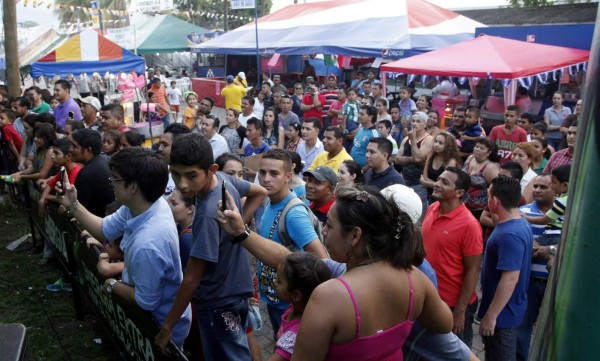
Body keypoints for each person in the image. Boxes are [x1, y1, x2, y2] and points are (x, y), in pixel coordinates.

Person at [289, 185, 454, 360]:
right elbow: (444, 324)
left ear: (355, 235)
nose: (323, 231)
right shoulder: (415, 278)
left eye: (329, 225)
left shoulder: (329, 297)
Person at [56, 147, 193, 348]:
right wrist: (73, 204)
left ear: (133, 187)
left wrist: (112, 285)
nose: (110, 183)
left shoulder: (148, 243)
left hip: (159, 329)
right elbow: (104, 229)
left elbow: (146, 301)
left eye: (116, 179)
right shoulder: (144, 205)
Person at [156, 133, 267, 359]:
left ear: (211, 169)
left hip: (219, 302)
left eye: (191, 175)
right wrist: (237, 231)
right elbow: (259, 192)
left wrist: (167, 326)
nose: (183, 184)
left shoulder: (208, 213)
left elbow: (192, 277)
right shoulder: (224, 180)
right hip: (236, 291)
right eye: (175, 174)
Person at [256, 149, 328, 338]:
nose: (266, 179)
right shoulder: (268, 200)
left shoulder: (294, 213)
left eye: (274, 173)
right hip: (273, 296)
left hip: (288, 305)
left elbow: (322, 261)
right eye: (262, 172)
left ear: (288, 176)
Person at [422, 167, 483, 349]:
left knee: (456, 352)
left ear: (459, 192)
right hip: (429, 298)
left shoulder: (469, 225)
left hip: (452, 305)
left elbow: (473, 270)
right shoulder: (433, 208)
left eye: (445, 182)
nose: (437, 184)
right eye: (439, 179)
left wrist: (460, 311)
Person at [478, 176, 533, 361]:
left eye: (488, 196)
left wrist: (491, 316)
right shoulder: (521, 223)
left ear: (494, 201)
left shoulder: (509, 234)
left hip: (502, 318)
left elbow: (510, 279)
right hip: (508, 311)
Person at [515, 174, 555, 361]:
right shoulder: (523, 212)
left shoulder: (568, 213)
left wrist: (552, 249)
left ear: (555, 189)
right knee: (523, 326)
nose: (537, 190)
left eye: (543, 187)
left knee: (552, 329)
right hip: (528, 280)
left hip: (553, 283)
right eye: (535, 186)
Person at [272, 253, 332, 361]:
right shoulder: (295, 306)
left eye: (279, 281)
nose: (274, 282)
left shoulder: (296, 334)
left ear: (296, 295)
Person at [396, 111, 433, 219]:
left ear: (425, 124)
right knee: (403, 214)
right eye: (413, 121)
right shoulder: (406, 139)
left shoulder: (428, 139)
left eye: (418, 121)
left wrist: (412, 139)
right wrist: (412, 159)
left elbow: (418, 158)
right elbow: (398, 159)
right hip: (404, 182)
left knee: (416, 216)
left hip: (419, 184)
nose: (414, 124)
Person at [462, 138, 500, 220]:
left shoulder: (491, 167)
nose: (477, 149)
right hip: (463, 206)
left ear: (489, 152)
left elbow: (497, 189)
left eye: (482, 148)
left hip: (479, 210)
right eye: (476, 146)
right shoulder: (470, 158)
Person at [420, 131, 459, 203]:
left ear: (448, 146)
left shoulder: (451, 161)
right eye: (436, 141)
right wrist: (432, 183)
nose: (436, 145)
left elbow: (444, 185)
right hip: (429, 194)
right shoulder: (431, 155)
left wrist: (425, 183)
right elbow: (425, 177)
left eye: (440, 143)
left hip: (442, 197)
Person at [167, 189, 194, 271]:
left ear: (190, 209)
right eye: (168, 200)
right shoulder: (178, 228)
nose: (167, 205)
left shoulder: (187, 239)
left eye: (174, 203)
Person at [351, 105, 380, 170]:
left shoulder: (374, 134)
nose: (359, 116)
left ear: (370, 117)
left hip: (364, 171)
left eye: (362, 114)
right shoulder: (361, 128)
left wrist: (364, 169)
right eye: (359, 113)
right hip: (354, 168)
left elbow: (377, 155)